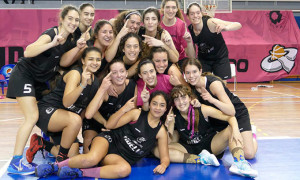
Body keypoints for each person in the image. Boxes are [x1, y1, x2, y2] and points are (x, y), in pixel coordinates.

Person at [6, 5, 81, 175]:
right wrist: (52, 43)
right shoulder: (52, 34)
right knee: (32, 117)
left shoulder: (69, 41)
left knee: (46, 111)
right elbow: (28, 51)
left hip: (39, 82)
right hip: (24, 75)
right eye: (70, 18)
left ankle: (42, 143)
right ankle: (15, 162)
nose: (73, 22)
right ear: (62, 19)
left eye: (76, 20)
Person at [35, 91, 170, 179]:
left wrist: (163, 165)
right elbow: (110, 125)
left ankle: (80, 172)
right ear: (150, 105)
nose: (158, 108)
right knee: (91, 159)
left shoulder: (161, 131)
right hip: (109, 140)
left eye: (162, 105)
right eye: (155, 104)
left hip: (118, 156)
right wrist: (124, 109)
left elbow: (165, 158)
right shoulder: (137, 113)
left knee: (125, 170)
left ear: (165, 109)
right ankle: (53, 167)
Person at [158, 85, 258, 178]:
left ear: (190, 98)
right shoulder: (173, 116)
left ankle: (240, 163)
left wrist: (236, 131)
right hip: (189, 148)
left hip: (211, 145)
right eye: (177, 99)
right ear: (174, 103)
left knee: (230, 129)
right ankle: (200, 159)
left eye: (183, 97)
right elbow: (167, 143)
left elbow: (230, 117)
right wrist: (167, 124)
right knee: (159, 149)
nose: (181, 102)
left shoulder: (202, 109)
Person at [26, 46, 102, 164]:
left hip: (66, 120)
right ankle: (61, 158)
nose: (95, 63)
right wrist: (82, 84)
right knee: (75, 121)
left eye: (98, 60)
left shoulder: (95, 81)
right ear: (83, 61)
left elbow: (84, 109)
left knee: (73, 156)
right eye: (91, 59)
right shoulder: (75, 74)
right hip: (47, 110)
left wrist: (105, 123)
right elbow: (67, 102)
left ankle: (40, 143)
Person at [182, 58, 258, 159]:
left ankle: (251, 137)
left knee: (248, 154)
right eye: (188, 73)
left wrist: (212, 99)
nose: (191, 76)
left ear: (200, 71)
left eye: (194, 72)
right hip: (219, 119)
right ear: (184, 74)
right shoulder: (190, 87)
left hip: (237, 115)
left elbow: (231, 111)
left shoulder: (214, 84)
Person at [82, 59, 137, 153]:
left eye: (122, 71)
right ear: (109, 75)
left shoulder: (132, 85)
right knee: (89, 152)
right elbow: (90, 114)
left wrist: (113, 127)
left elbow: (132, 113)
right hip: (97, 122)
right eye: (114, 73)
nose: (119, 75)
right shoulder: (105, 90)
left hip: (117, 124)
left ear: (126, 73)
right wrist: (105, 123)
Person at [186, 2, 242, 80]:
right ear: (188, 16)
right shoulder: (189, 30)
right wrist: (189, 42)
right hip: (204, 59)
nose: (195, 16)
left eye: (198, 13)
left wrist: (226, 28)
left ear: (201, 14)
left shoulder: (210, 22)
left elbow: (238, 25)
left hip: (220, 57)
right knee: (203, 83)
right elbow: (192, 57)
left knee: (221, 85)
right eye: (192, 14)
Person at [160, 0, 195, 67]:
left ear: (177, 9)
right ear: (162, 8)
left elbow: (191, 56)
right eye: (167, 7)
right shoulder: (157, 23)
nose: (170, 10)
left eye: (173, 7)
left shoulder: (181, 25)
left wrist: (189, 42)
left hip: (179, 59)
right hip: (161, 59)